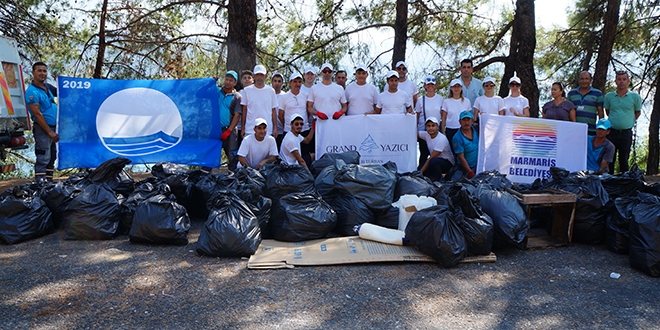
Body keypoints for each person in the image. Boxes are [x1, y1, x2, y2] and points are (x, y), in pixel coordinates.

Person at [25, 62, 58, 183]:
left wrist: (60, 81)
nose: (42, 73)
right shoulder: (32, 92)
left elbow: (63, 92)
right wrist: (49, 132)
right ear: (33, 73)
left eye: (44, 71)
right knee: (43, 156)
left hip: (54, 128)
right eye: (39, 71)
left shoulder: (48, 87)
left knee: (52, 157)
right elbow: (38, 114)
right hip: (43, 129)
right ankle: (40, 184)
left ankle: (49, 183)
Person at [604, 71, 642, 174]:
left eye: (624, 79)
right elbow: (608, 111)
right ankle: (610, 182)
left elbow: (637, 112)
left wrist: (628, 122)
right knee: (610, 159)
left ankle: (624, 183)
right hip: (611, 132)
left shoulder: (635, 97)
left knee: (624, 160)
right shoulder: (609, 96)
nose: (621, 82)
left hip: (626, 133)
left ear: (628, 81)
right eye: (619, 79)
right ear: (615, 81)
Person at [278, 72, 312, 160]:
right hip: (289, 131)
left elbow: (308, 112)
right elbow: (280, 115)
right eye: (295, 81)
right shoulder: (284, 97)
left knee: (305, 155)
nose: (297, 84)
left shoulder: (305, 96)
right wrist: (289, 124)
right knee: (291, 157)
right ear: (290, 83)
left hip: (304, 130)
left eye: (299, 82)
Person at [240, 65, 278, 139]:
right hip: (250, 129)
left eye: (261, 75)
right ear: (254, 76)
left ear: (266, 76)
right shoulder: (247, 90)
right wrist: (243, 128)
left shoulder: (271, 91)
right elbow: (244, 110)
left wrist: (275, 127)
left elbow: (273, 111)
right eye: (257, 75)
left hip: (267, 130)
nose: (259, 77)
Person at [216, 70, 243, 171]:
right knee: (212, 152)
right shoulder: (216, 91)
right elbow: (200, 94)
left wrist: (229, 131)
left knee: (232, 154)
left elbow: (237, 116)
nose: (228, 82)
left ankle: (233, 178)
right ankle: (205, 177)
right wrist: (211, 82)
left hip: (230, 131)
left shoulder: (237, 97)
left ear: (235, 83)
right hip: (215, 129)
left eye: (231, 80)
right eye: (226, 79)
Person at [415, 75, 443, 166]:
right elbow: (417, 116)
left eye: (432, 84)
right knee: (424, 154)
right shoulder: (420, 100)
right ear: (425, 86)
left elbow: (443, 115)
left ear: (435, 86)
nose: (430, 86)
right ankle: (420, 174)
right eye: (428, 84)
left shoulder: (440, 99)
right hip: (424, 132)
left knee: (436, 156)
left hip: (437, 132)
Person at [567, 71, 605, 135]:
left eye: (586, 79)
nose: (584, 81)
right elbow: (568, 111)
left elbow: (600, 112)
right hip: (574, 129)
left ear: (591, 80)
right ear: (578, 80)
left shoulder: (598, 94)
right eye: (582, 79)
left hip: (591, 130)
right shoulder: (571, 93)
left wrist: (601, 128)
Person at [418, 117, 454, 181]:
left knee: (433, 162)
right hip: (436, 161)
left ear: (437, 127)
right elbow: (415, 133)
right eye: (428, 126)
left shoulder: (441, 139)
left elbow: (432, 157)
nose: (431, 128)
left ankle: (439, 181)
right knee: (421, 166)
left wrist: (421, 172)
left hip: (448, 163)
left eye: (433, 126)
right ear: (426, 127)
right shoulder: (426, 135)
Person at [441, 79, 471, 149]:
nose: (456, 88)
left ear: (461, 88)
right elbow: (444, 117)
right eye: (454, 86)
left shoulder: (467, 101)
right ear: (451, 88)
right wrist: (443, 131)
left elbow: (469, 117)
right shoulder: (446, 102)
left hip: (463, 129)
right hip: (450, 129)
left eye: (458, 86)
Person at [452, 111, 479, 179]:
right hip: (466, 169)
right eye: (464, 120)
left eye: (468, 120)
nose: (466, 123)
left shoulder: (477, 130)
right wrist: (470, 173)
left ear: (472, 121)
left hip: (479, 165)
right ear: (459, 122)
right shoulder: (457, 138)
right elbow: (461, 157)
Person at [271, 71, 285, 144]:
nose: (277, 83)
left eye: (279, 81)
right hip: (269, 130)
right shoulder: (268, 94)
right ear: (271, 82)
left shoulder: (285, 96)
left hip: (282, 130)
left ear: (282, 83)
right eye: (275, 81)